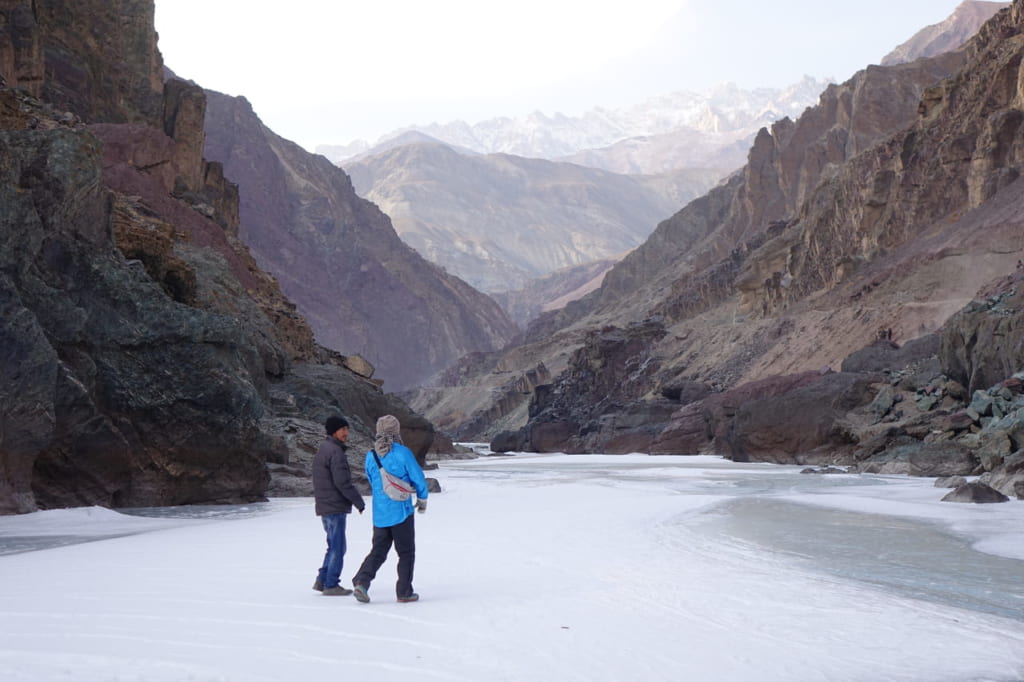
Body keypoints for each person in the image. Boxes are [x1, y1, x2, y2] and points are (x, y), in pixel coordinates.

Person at [352, 414, 429, 603]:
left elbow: (371, 480)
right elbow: (418, 478)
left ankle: (362, 582)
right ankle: (404, 592)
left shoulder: (371, 456)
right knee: (406, 552)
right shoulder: (403, 453)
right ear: (396, 432)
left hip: (380, 514)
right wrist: (422, 499)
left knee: (378, 551)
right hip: (401, 511)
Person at [311, 415, 365, 596]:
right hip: (334, 506)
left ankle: (322, 580)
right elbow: (342, 482)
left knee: (333, 544)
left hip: (325, 505)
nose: (346, 433)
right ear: (334, 431)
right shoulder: (335, 452)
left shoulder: (324, 449)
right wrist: (358, 501)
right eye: (343, 430)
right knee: (338, 546)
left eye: (347, 429)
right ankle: (331, 584)